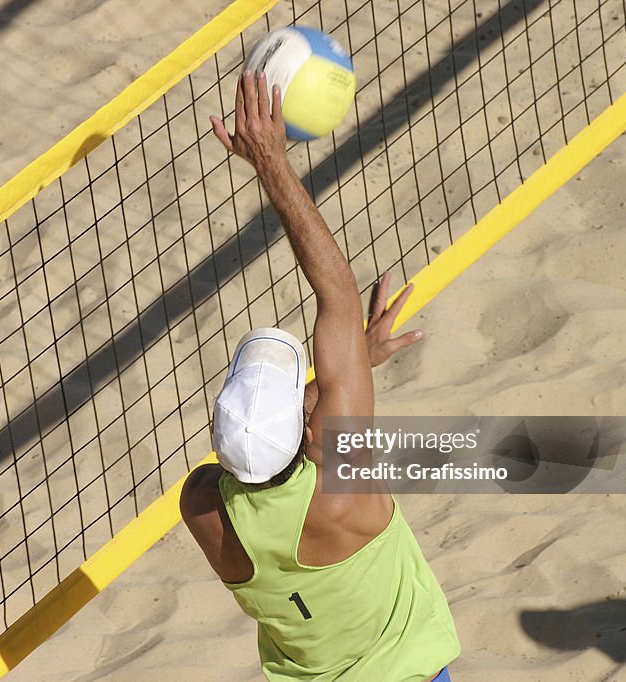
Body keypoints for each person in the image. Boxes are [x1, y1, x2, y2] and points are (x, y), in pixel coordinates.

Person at [179, 70, 461, 681]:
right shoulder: (343, 488)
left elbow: (256, 459)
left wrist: (356, 363)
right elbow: (337, 292)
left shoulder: (202, 507)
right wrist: (272, 165)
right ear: (309, 432)